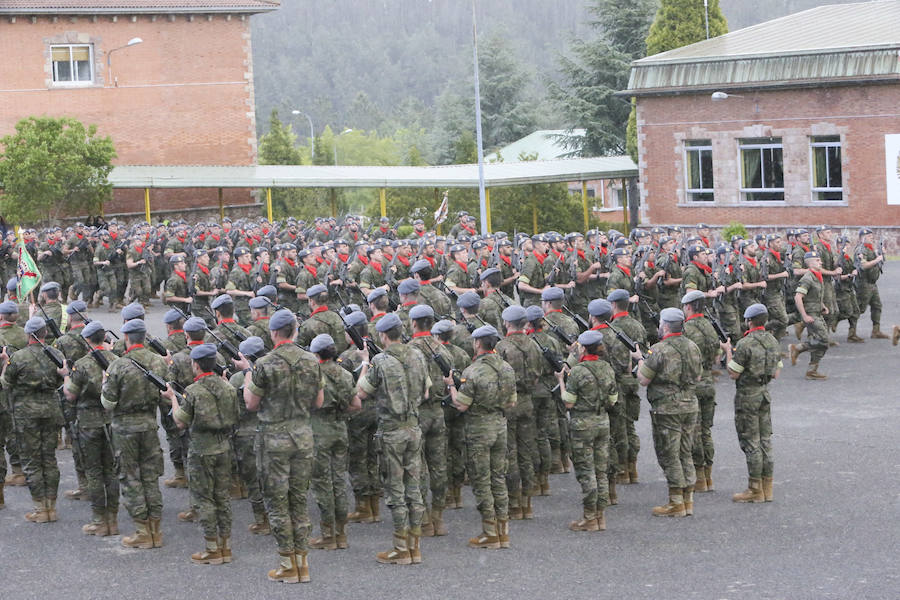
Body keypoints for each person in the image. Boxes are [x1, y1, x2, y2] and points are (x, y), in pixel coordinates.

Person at [236, 309, 323, 583]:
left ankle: (287, 563)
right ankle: (303, 562)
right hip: (302, 436)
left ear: (273, 333)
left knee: (277, 502)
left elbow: (251, 404)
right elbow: (318, 402)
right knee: (298, 500)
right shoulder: (311, 360)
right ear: (295, 331)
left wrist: (248, 378)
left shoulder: (264, 364)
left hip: (274, 440)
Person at [355, 312, 429, 565]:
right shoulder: (418, 355)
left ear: (383, 336)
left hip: (392, 431)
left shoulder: (381, 361)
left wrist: (365, 362)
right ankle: (415, 547)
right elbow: (426, 390)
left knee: (395, 490)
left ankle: (400, 547)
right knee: (414, 487)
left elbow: (361, 393)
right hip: (413, 428)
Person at [165, 343, 240, 565]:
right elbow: (236, 415)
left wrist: (172, 398)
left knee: (204, 498)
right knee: (222, 496)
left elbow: (180, 421)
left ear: (196, 365)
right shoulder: (228, 388)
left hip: (201, 449)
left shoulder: (193, 391)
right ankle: (225, 545)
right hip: (224, 446)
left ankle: (211, 548)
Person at [444, 324, 516, 549]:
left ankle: (489, 531)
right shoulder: (506, 368)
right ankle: (503, 530)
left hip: (479, 430)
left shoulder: (472, 371)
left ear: (477, 343)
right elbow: (511, 402)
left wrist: (451, 388)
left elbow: (462, 406)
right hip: (499, 425)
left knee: (481, 480)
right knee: (498, 478)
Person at [100, 318, 168, 548]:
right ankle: (156, 530)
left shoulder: (117, 366)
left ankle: (142, 531)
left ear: (127, 338)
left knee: (130, 478)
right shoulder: (158, 362)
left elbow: (108, 403)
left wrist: (103, 385)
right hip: (149, 424)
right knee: (150, 477)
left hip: (125, 429)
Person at [636, 308, 702, 517]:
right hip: (690, 405)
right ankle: (688, 500)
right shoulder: (693, 347)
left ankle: (675, 502)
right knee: (685, 452)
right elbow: (698, 377)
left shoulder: (658, 350)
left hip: (666, 409)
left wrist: (640, 361)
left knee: (669, 454)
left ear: (665, 326)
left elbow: (644, 379)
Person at [0, 316, 67, 523]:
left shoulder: (18, 358)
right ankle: (51, 506)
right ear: (44, 333)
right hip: (51, 410)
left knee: (32, 460)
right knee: (49, 459)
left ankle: (40, 507)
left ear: (29, 335)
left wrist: (4, 362)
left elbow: (6, 382)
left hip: (26, 414)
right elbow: (61, 379)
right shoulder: (56, 354)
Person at [557, 329, 618, 532]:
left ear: (583, 348)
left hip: (583, 425)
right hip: (602, 422)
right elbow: (612, 400)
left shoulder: (579, 371)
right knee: (601, 471)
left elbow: (568, 402)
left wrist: (561, 382)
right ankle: (601, 516)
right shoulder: (607, 368)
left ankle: (590, 516)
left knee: (586, 471)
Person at [62, 320, 119, 536]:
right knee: (111, 471)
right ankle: (112, 519)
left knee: (94, 472)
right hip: (111, 421)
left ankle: (99, 520)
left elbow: (71, 395)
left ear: (87, 340)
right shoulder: (116, 360)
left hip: (88, 423)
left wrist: (66, 376)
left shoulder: (82, 364)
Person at [727, 303, 782, 503]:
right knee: (765, 440)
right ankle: (767, 488)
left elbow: (733, 373)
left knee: (751, 442)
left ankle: (754, 489)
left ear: (749, 321)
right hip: (764, 393)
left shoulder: (745, 344)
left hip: (747, 396)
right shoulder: (773, 341)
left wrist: (727, 351)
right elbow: (776, 372)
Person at [308, 333, 358, 551]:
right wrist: (340, 411)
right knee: (339, 481)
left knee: (321, 483)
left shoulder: (313, 374)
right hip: (340, 428)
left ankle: (328, 534)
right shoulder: (345, 374)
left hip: (318, 430)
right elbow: (356, 405)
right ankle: (341, 533)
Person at [681, 290, 731, 492]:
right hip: (709, 382)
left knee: (694, 431)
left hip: (693, 385)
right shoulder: (711, 328)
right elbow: (717, 358)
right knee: (706, 432)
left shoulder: (686, 329)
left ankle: (699, 477)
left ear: (688, 307)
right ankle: (708, 477)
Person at [495, 305, 542, 521]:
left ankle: (514, 503)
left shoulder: (502, 346)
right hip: (527, 401)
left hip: (509, 403)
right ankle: (527, 503)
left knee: (510, 454)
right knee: (527, 452)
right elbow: (538, 374)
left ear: (506, 323)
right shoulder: (534, 345)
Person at [789, 251, 830, 380]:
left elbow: (816, 294)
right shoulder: (807, 278)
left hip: (817, 312)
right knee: (823, 340)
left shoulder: (817, 276)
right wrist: (804, 316)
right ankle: (798, 348)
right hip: (811, 315)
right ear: (810, 263)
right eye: (818, 260)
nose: (821, 262)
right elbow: (798, 297)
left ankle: (812, 371)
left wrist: (822, 305)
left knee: (821, 344)